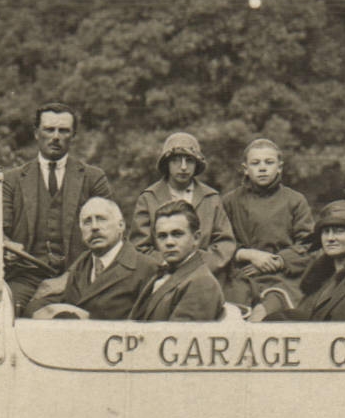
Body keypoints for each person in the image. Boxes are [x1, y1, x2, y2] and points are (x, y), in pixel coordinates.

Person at [2, 102, 114, 312]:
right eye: (49, 129)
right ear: (36, 133)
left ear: (73, 136)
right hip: (25, 277)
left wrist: (68, 277)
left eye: (63, 131)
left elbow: (110, 235)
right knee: (4, 312)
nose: (55, 137)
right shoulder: (12, 180)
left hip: (78, 277)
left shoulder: (93, 178)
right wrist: (7, 246)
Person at [222, 138, 315, 317]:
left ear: (279, 167)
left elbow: (309, 246)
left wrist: (277, 260)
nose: (262, 168)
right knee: (233, 316)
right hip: (241, 276)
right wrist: (248, 254)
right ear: (245, 169)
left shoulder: (295, 200)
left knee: (265, 314)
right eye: (255, 163)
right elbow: (218, 243)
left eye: (269, 162)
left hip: (283, 278)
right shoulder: (229, 201)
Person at [25, 197, 156, 320]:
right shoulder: (80, 265)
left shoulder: (146, 268)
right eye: (87, 222)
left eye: (101, 219)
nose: (94, 227)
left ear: (121, 225)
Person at [130, 132, 237, 277]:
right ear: (167, 163)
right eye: (176, 161)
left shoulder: (211, 198)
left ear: (197, 164)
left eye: (189, 161)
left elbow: (225, 243)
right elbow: (139, 247)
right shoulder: (149, 198)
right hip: (162, 275)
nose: (184, 167)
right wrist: (169, 264)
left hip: (205, 275)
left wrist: (198, 266)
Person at [129, 201, 225, 322]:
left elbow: (181, 333)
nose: (169, 242)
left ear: (196, 238)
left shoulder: (202, 283)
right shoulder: (160, 273)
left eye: (177, 234)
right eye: (162, 236)